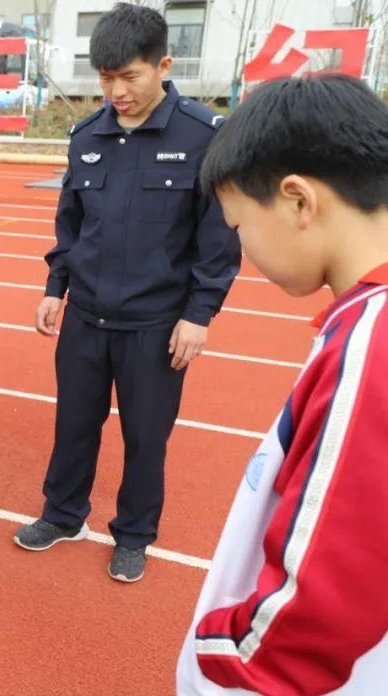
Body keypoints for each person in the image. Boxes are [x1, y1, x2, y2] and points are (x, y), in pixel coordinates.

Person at [13, 3, 241, 583]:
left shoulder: (201, 136)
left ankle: (134, 533)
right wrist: (54, 287)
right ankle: (63, 515)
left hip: (157, 324)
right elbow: (71, 222)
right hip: (86, 315)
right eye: (106, 78)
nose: (116, 91)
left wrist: (200, 314)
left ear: (162, 65)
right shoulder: (88, 136)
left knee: (146, 436)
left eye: (129, 76)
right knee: (74, 423)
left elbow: (218, 237)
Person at [176, 74, 388, 694]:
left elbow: (315, 612)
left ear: (298, 201)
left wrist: (208, 656)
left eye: (239, 227)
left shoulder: (372, 339)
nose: (242, 252)